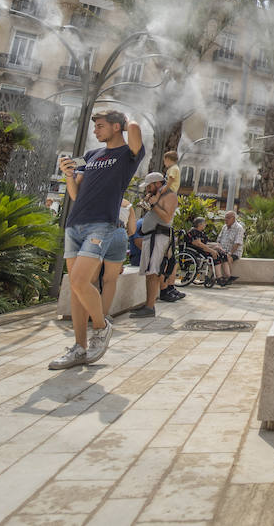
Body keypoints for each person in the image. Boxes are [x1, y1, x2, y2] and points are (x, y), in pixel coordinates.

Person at [49, 111, 144, 370]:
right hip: (75, 224)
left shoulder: (127, 155)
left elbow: (135, 129)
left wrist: (125, 119)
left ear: (117, 127)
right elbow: (76, 194)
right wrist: (69, 174)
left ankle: (101, 328)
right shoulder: (92, 156)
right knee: (78, 288)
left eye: (100, 126)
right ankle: (79, 347)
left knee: (80, 280)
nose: (95, 131)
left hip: (101, 224)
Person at [130, 171, 177, 318]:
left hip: (158, 236)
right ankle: (148, 305)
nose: (147, 189)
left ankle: (150, 306)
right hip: (151, 236)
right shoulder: (159, 195)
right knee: (150, 272)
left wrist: (153, 205)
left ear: (157, 184)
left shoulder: (169, 196)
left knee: (153, 272)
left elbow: (167, 216)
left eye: (149, 186)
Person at [213, 211, 246, 286]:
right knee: (214, 256)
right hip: (222, 250)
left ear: (233, 218)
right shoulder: (224, 227)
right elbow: (218, 239)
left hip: (234, 252)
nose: (226, 220)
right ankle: (219, 277)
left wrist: (230, 253)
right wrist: (219, 248)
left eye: (228, 218)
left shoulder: (239, 228)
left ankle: (228, 278)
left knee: (227, 258)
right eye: (225, 218)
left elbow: (237, 243)